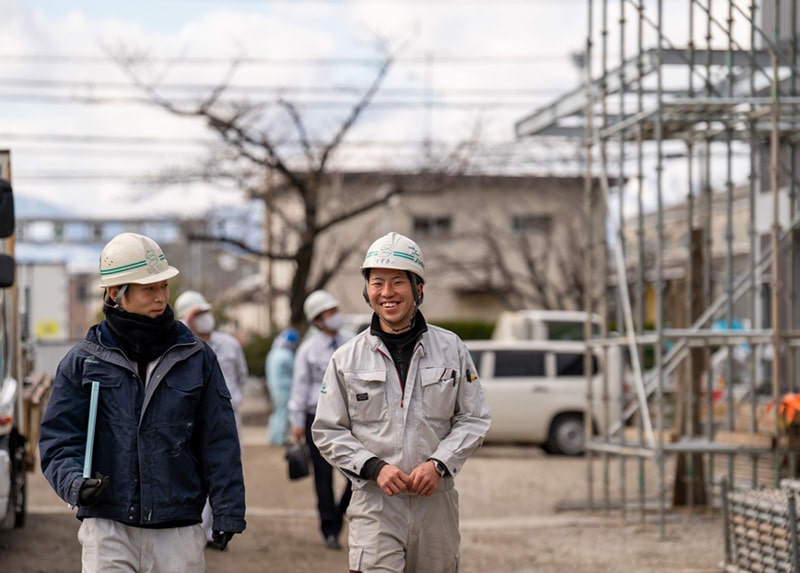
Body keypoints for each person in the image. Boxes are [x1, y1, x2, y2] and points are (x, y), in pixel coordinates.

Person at [39, 232, 246, 572]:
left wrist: (227, 510)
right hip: (107, 525)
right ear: (115, 293)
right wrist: (75, 484)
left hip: (178, 528)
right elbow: (58, 439)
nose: (161, 296)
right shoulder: (83, 361)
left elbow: (219, 439)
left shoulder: (197, 357)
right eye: (149, 288)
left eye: (163, 286)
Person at [312, 231, 492, 572]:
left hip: (435, 505)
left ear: (418, 288)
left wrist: (439, 463)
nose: (387, 293)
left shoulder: (451, 349)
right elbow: (327, 430)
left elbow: (474, 418)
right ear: (367, 290)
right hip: (375, 505)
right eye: (377, 282)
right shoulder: (346, 359)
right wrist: (373, 467)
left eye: (398, 282)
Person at [174, 289, 249, 548]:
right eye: (197, 314)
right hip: (190, 420)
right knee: (194, 472)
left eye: (206, 312)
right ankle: (196, 529)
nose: (205, 317)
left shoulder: (229, 344)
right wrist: (183, 324)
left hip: (228, 417)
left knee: (223, 468)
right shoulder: (179, 346)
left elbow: (241, 375)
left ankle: (212, 530)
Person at [289, 289, 353, 550]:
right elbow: (299, 387)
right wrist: (295, 422)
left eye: (335, 310)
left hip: (350, 417)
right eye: (329, 312)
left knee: (355, 473)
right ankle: (330, 529)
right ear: (317, 319)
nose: (335, 316)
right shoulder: (307, 350)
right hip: (316, 418)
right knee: (323, 477)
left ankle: (339, 513)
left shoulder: (352, 342)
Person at [265, 327, 300, 446]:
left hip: (273, 387)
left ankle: (273, 437)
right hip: (285, 389)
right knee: (283, 413)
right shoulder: (287, 355)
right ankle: (281, 439)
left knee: (276, 412)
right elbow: (296, 371)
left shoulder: (273, 352)